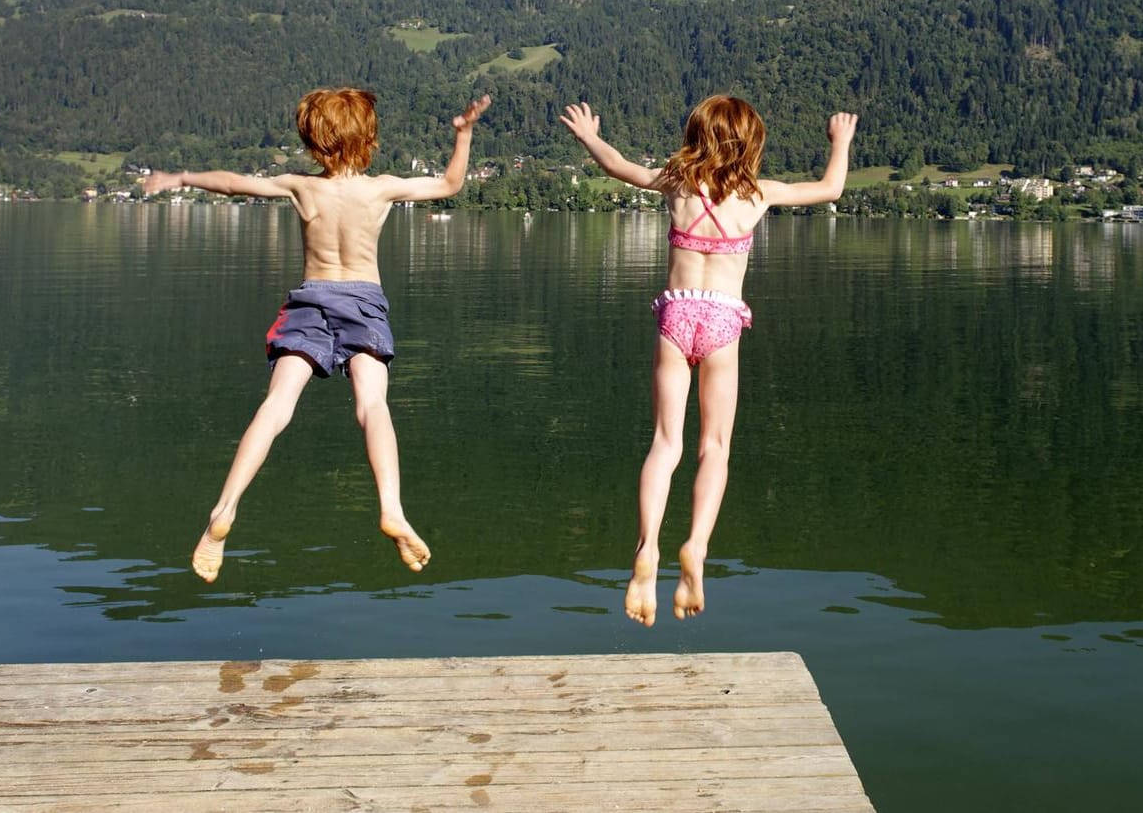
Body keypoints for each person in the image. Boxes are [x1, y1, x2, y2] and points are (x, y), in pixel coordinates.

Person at [142, 88, 491, 583]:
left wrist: (180, 176)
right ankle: (391, 506)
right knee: (372, 407)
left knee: (277, 406)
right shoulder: (381, 189)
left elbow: (234, 183)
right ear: (367, 138)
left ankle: (224, 509)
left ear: (313, 141)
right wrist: (464, 134)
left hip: (311, 300)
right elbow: (451, 185)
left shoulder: (302, 187)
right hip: (364, 303)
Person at [560, 95, 857, 626]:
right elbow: (830, 189)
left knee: (664, 443)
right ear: (751, 143)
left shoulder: (676, 182)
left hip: (676, 317)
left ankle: (646, 548)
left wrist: (588, 136)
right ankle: (695, 546)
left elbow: (619, 166)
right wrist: (841, 142)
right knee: (714, 446)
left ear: (696, 135)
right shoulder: (757, 194)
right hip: (722, 322)